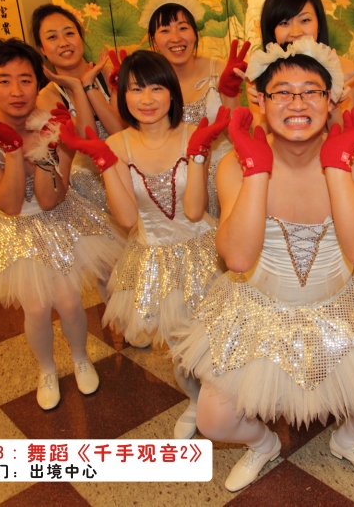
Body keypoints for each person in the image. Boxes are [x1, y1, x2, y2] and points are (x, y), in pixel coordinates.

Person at [174, 38, 354, 491]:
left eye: (311, 92)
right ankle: (263, 445)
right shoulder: (235, 166)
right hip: (260, 309)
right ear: (260, 101)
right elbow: (237, 258)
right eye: (282, 92)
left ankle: (347, 441)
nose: (297, 103)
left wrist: (337, 165)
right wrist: (256, 170)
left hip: (340, 306)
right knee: (214, 420)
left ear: (331, 100)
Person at [0, 38, 123, 410]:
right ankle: (47, 370)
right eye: (4, 80)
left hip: (56, 215)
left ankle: (80, 358)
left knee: (69, 301)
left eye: (25, 80)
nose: (16, 91)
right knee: (37, 308)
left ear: (37, 84)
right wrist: (11, 150)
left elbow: (50, 198)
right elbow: (8, 204)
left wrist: (45, 150)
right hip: (10, 226)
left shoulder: (53, 122)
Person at [59, 50, 228, 439]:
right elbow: (127, 218)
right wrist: (105, 163)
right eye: (136, 89)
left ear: (171, 92)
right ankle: (195, 402)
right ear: (123, 95)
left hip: (202, 249)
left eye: (156, 88)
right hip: (153, 258)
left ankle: (224, 404)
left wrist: (198, 156)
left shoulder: (193, 132)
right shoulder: (118, 143)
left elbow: (194, 210)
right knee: (179, 347)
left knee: (215, 338)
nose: (147, 99)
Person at [138, 0, 247, 219]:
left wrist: (229, 92)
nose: (176, 38)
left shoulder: (219, 69)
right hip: (178, 181)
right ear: (154, 40)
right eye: (165, 30)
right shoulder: (150, 83)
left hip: (225, 174)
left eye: (183, 28)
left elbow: (236, 136)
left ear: (195, 34)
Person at [31, 4, 124, 213]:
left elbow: (119, 131)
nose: (64, 43)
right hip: (84, 191)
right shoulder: (48, 96)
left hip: (125, 173)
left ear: (80, 37)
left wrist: (90, 85)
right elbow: (85, 138)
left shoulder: (110, 73)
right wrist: (77, 87)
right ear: (42, 49)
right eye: (52, 37)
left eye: (69, 33)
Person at [246, 0, 354, 127]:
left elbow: (347, 137)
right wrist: (265, 105)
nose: (296, 32)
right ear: (272, 30)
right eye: (284, 23)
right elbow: (261, 137)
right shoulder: (260, 71)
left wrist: (333, 105)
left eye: (305, 20)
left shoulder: (343, 68)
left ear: (319, 24)